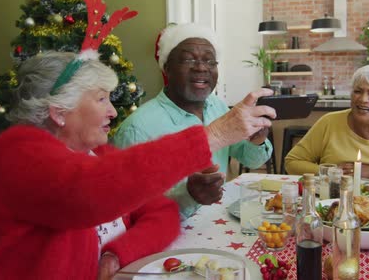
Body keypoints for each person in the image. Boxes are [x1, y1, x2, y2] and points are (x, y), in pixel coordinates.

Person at [0, 52, 275, 279]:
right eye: (101, 99)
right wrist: (215, 135)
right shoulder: (17, 153)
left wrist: (115, 254)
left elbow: (162, 213)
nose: (113, 111)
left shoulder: (97, 155)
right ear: (59, 111)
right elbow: (89, 194)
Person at [113, 23, 273, 218]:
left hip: (217, 222)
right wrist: (188, 196)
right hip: (165, 240)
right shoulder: (136, 129)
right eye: (188, 59)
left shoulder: (218, 107)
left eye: (210, 61)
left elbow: (250, 160)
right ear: (166, 68)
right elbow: (127, 214)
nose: (201, 68)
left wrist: (257, 138)